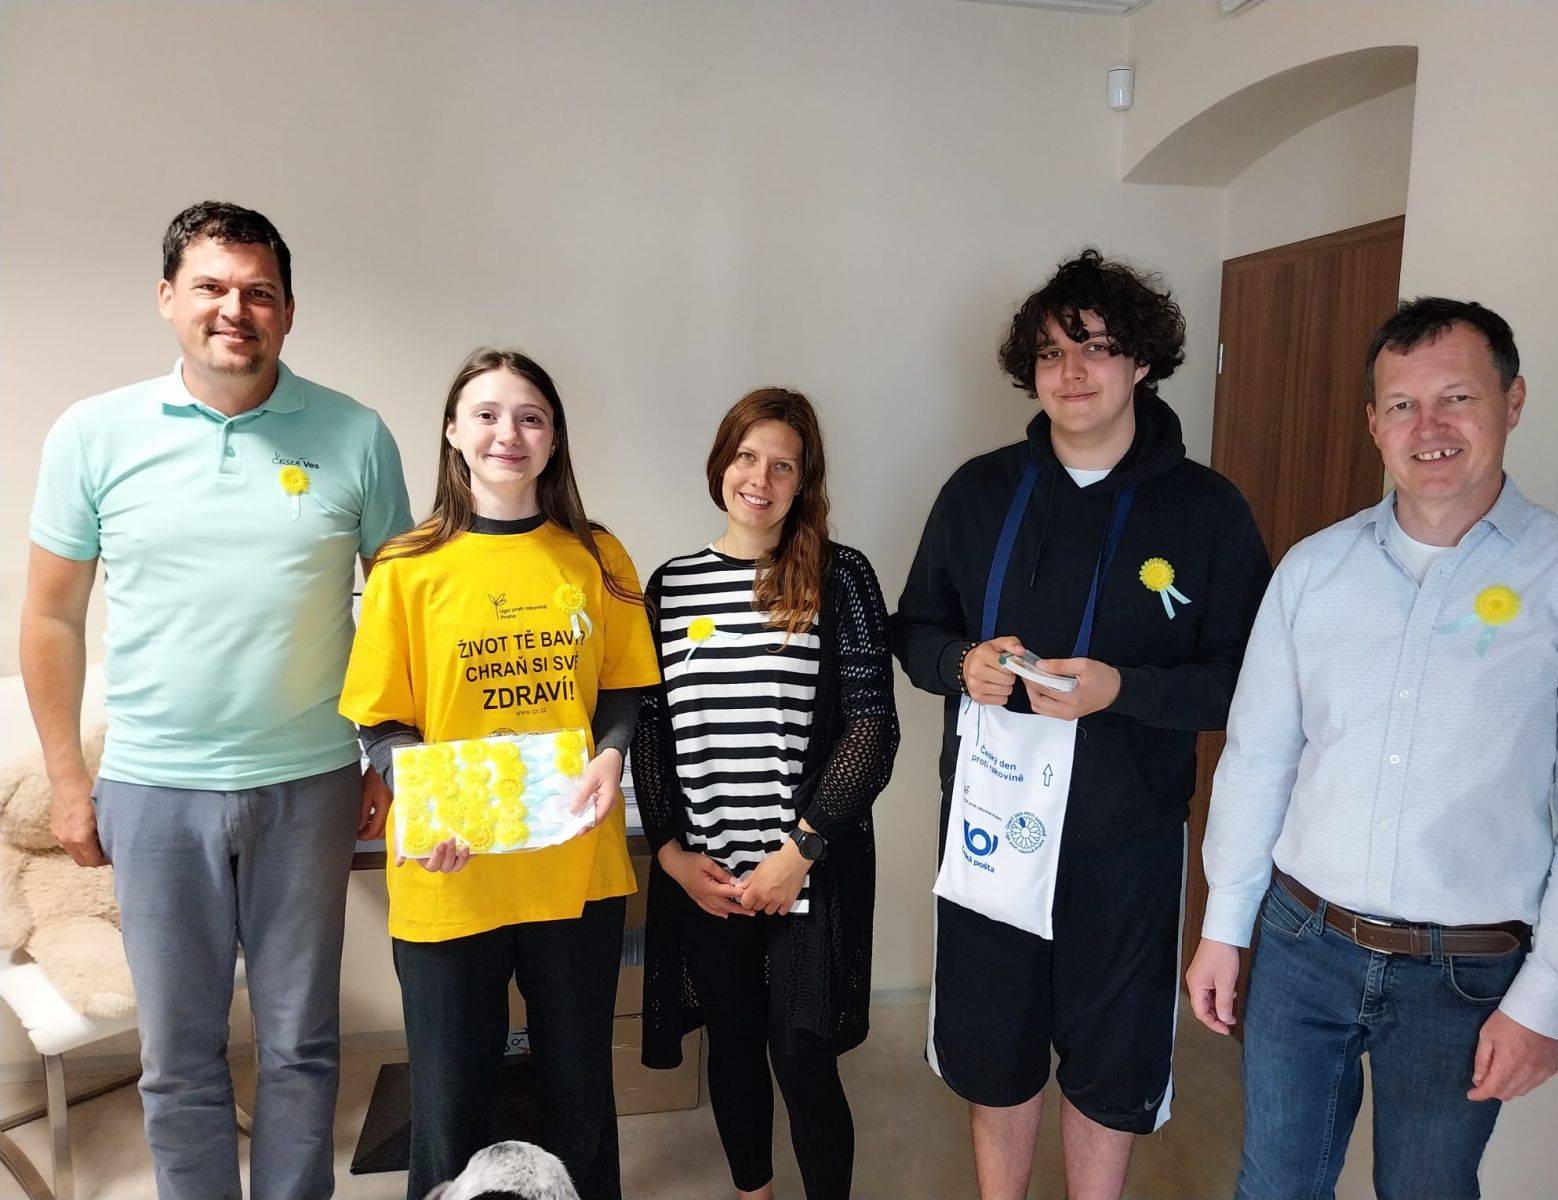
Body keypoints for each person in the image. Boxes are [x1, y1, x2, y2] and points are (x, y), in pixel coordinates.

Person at [20, 201, 412, 1200]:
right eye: (211, 287)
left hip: (309, 786)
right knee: (179, 1057)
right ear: (168, 298)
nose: (234, 310)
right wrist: (68, 780)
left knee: (300, 1045)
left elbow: (401, 615)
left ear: (288, 311)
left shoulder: (356, 435)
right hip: (153, 789)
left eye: (258, 292)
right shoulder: (94, 434)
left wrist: (385, 756)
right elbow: (52, 617)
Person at [1188, 297, 1558, 1200]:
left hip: (1469, 974)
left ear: (1513, 401)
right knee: (1275, 1185)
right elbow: (1259, 759)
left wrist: (1549, 996)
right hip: (1302, 944)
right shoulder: (1314, 571)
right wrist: (1225, 924)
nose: (1430, 428)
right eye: (1404, 405)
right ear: (1374, 423)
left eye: (1458, 398)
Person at [892, 249, 1271, 1200]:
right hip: (989, 832)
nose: (1072, 371)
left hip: (1126, 842)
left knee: (1111, 1066)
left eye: (1097, 348)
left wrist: (1125, 691)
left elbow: (1248, 684)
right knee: (996, 1054)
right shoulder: (979, 493)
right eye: (1053, 352)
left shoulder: (1208, 511)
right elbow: (915, 630)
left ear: (1142, 361)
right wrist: (960, 664)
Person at [339, 348, 658, 1200]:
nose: (507, 433)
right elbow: (380, 717)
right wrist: (426, 801)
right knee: (449, 1105)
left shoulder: (598, 555)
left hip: (574, 867)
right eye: (486, 414)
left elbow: (623, 687)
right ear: (452, 431)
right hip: (452, 872)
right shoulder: (407, 565)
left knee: (579, 1093)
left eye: (530, 417)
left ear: (553, 438)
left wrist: (612, 753)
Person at [631, 388, 899, 1200]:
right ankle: (754, 1192)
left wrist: (800, 851)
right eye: (747, 457)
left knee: (804, 1061)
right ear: (721, 463)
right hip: (709, 878)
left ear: (804, 480)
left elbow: (872, 727)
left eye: (784, 465)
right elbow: (651, 733)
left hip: (804, 874)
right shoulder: (671, 585)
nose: (760, 478)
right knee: (736, 1049)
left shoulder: (839, 576)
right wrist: (671, 857)